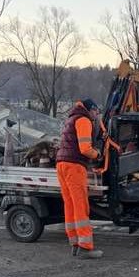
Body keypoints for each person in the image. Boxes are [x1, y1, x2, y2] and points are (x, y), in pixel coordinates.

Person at [56, 98, 103, 258]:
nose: (97, 115)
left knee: (70, 205)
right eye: (96, 111)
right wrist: (98, 154)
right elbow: (85, 149)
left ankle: (75, 244)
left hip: (62, 164)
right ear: (90, 109)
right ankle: (85, 247)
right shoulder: (84, 120)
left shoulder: (71, 119)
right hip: (74, 166)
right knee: (80, 206)